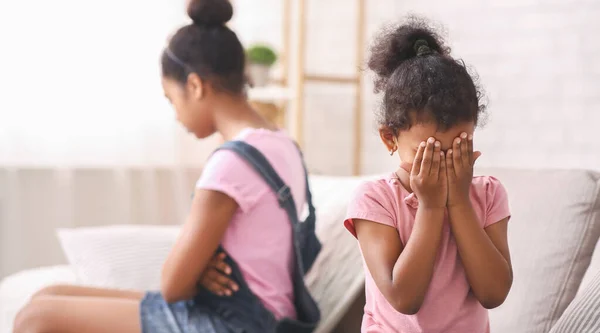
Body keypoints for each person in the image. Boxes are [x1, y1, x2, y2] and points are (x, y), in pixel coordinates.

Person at [13, 0, 320, 332]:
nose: (176, 115)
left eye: (171, 99)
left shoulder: (232, 163)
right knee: (48, 294)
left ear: (195, 85)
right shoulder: (284, 145)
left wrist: (193, 270)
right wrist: (198, 270)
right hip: (264, 317)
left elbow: (173, 286)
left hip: (232, 322)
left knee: (36, 319)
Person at [344, 17, 513, 333]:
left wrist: (460, 203)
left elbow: (494, 293)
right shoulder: (375, 199)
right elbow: (404, 298)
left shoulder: (487, 194)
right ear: (389, 139)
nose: (445, 165)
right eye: (430, 152)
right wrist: (432, 207)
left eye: (459, 149)